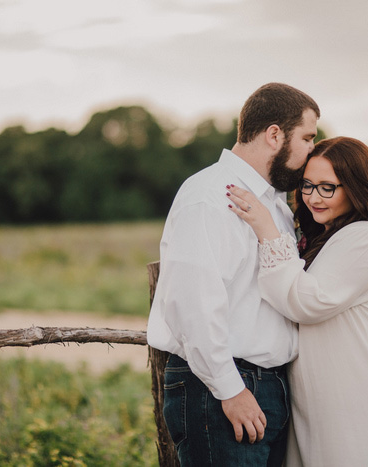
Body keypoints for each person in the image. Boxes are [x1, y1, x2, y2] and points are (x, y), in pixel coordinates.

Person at [226, 136, 368, 466]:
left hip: (365, 386)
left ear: (356, 187)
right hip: (328, 395)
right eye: (308, 185)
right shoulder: (327, 237)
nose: (313, 197)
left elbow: (307, 302)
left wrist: (267, 230)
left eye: (328, 187)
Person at [147, 82, 320, 466]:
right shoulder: (209, 195)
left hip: (268, 386)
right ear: (275, 134)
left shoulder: (273, 203)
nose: (313, 149)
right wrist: (229, 389)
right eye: (308, 137)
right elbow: (191, 301)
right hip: (220, 389)